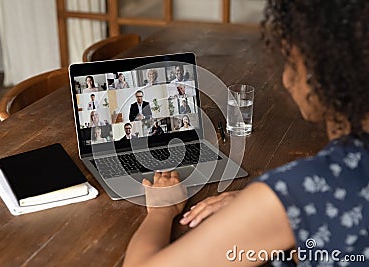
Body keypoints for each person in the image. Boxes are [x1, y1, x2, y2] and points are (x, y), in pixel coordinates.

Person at [123, 1, 369, 267]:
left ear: (326, 74)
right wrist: (259, 206)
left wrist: (161, 210)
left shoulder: (300, 190)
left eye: (292, 62)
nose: (286, 78)